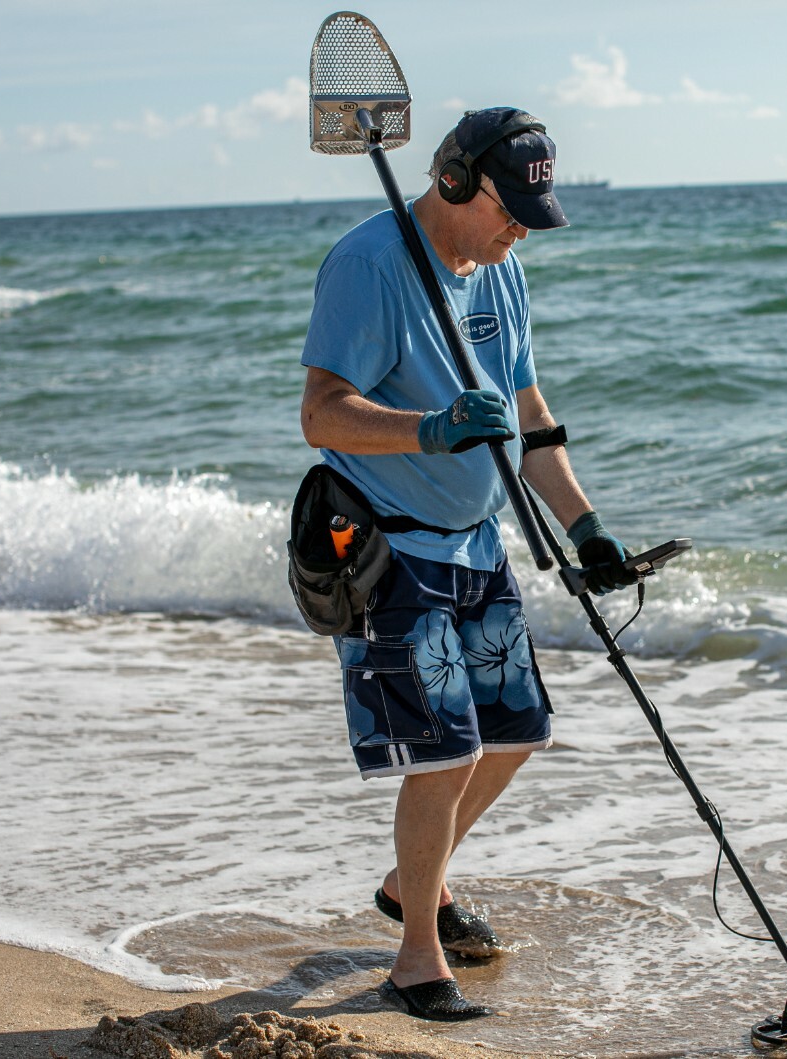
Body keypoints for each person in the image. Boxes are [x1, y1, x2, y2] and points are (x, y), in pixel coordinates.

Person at [298, 107, 637, 1022]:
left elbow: (525, 403)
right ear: (455, 183)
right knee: (441, 754)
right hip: (387, 546)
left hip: (478, 546)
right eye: (512, 209)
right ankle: (415, 958)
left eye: (534, 212)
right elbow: (323, 414)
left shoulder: (503, 269)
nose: (523, 227)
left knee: (519, 732)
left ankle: (414, 885)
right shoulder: (369, 265)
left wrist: (586, 525)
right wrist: (432, 429)